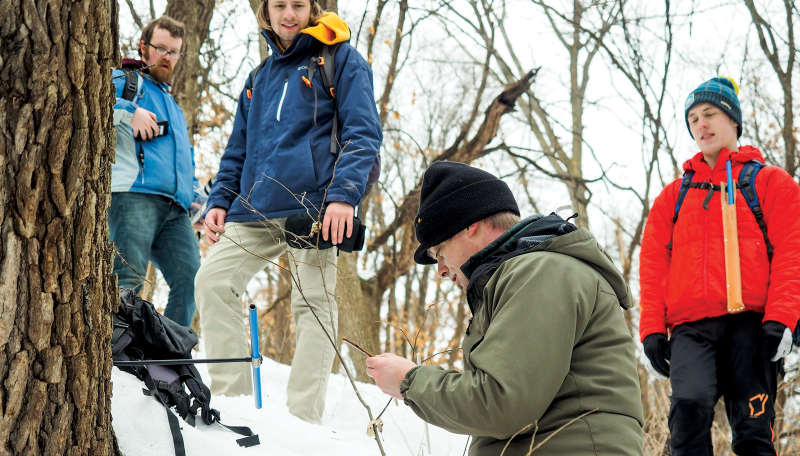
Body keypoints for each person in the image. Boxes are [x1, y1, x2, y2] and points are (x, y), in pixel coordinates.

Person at [366, 162, 644, 455]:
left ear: (470, 225)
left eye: (439, 252)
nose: (442, 270)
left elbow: (501, 403)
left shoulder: (540, 273)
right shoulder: (524, 275)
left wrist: (410, 382)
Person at [193, 0, 382, 424]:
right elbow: (237, 149)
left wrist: (343, 197)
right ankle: (234, 404)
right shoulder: (258, 77)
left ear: (312, 9)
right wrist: (218, 201)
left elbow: (363, 133)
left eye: (298, 4)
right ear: (266, 11)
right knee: (211, 281)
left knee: (314, 305)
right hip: (254, 209)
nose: (289, 13)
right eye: (279, 4)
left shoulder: (341, 59)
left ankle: (302, 421)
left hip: (313, 207)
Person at [639, 76, 800, 455]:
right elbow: (652, 265)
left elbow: (793, 252)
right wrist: (650, 329)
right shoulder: (672, 198)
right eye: (693, 119)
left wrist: (783, 317)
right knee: (689, 413)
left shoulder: (770, 183)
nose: (702, 124)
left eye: (710, 114)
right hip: (690, 330)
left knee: (753, 432)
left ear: (734, 121)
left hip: (753, 325)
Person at [110, 16, 201, 327]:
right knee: (127, 278)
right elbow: (89, 101)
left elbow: (185, 160)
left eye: (174, 51)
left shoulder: (173, 105)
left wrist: (196, 197)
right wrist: (129, 112)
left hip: (177, 211)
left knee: (193, 281)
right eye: (160, 48)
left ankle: (170, 359)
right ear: (143, 47)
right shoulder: (126, 80)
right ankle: (120, 360)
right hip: (134, 195)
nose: (167, 57)